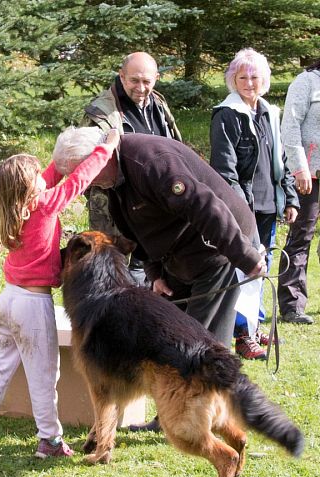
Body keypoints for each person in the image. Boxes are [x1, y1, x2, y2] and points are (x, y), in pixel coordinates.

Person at [0, 127, 120, 459]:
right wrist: (105, 149)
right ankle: (51, 441)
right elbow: (77, 183)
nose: (45, 176)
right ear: (31, 188)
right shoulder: (43, 206)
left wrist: (59, 162)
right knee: (44, 376)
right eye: (37, 175)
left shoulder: (17, 208)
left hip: (9, 300)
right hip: (32, 305)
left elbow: (49, 176)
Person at [53, 127, 266, 362]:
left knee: (200, 346)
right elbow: (136, 230)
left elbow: (204, 206)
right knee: (170, 338)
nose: (82, 184)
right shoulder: (112, 177)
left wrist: (245, 257)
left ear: (100, 156)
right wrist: (155, 274)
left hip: (216, 248)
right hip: (178, 256)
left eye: (82, 174)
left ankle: (214, 395)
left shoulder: (149, 161)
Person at [210, 48, 299, 359]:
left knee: (263, 267)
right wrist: (239, 209)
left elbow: (282, 161)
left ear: (265, 80)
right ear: (233, 80)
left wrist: (289, 197)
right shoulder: (226, 114)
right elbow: (225, 170)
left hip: (268, 206)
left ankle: (253, 323)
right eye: (242, 76)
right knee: (244, 269)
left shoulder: (269, 113)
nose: (249, 82)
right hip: (243, 208)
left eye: (255, 76)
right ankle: (240, 334)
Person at [83, 51, 182, 285]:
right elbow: (87, 171)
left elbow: (176, 147)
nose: (141, 87)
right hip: (114, 212)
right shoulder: (99, 114)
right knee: (109, 278)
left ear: (156, 78)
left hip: (155, 210)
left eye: (147, 81)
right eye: (134, 80)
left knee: (152, 274)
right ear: (121, 76)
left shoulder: (158, 104)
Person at [277, 58, 320, 324]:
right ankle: (292, 306)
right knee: (300, 237)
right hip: (309, 175)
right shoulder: (306, 82)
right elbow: (290, 126)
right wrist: (299, 168)